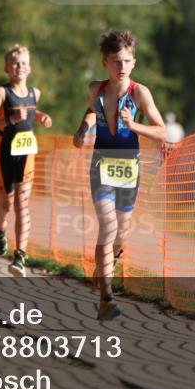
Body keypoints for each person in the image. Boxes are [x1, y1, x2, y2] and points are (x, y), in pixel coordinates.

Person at [72, 30, 166, 320]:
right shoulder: (96, 89)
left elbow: (161, 132)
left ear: (134, 63)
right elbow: (91, 111)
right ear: (105, 63)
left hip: (128, 165)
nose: (121, 67)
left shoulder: (140, 93)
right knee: (108, 225)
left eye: (126, 61)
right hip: (101, 162)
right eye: (115, 61)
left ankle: (104, 269)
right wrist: (83, 128)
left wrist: (134, 126)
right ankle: (107, 298)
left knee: (121, 233)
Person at [0, 45, 53, 277]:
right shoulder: (2, 93)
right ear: (6, 68)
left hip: (27, 153)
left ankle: (20, 256)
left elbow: (32, 112)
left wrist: (41, 116)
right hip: (5, 153)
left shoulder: (35, 93)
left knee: (23, 204)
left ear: (29, 68)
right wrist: (9, 119)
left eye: (23, 63)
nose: (19, 66)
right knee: (7, 205)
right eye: (14, 62)